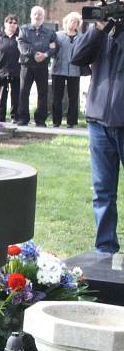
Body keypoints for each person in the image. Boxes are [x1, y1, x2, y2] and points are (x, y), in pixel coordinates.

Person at [71, 17, 124, 254]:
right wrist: (97, 29)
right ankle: (105, 249)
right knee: (102, 191)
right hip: (99, 120)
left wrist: (118, 31)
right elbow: (77, 57)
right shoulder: (103, 28)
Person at [17, 5, 58, 127]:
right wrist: (34, 54)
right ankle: (23, 118)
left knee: (43, 93)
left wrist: (45, 55)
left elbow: (54, 47)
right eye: (35, 14)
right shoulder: (23, 29)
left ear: (43, 17)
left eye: (40, 14)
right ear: (31, 15)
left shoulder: (49, 32)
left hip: (42, 66)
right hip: (27, 65)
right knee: (24, 92)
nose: (37, 16)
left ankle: (40, 119)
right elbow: (22, 45)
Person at [51, 12, 82, 128]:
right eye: (71, 21)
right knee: (57, 97)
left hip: (74, 70)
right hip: (58, 69)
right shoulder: (57, 35)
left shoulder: (81, 37)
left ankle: (71, 121)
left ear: (78, 24)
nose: (73, 23)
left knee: (73, 97)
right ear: (66, 22)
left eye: (75, 22)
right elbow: (51, 50)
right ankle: (56, 121)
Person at [0, 14, 21, 123]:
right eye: (10, 22)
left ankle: (15, 116)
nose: (12, 25)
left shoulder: (20, 37)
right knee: (2, 95)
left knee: (16, 95)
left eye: (15, 23)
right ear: (5, 23)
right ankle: (1, 117)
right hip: (2, 70)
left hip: (16, 70)